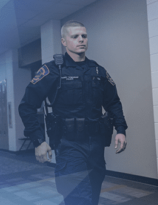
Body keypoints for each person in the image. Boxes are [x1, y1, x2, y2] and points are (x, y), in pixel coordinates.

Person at [18, 20, 128, 205]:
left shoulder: (97, 70)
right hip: (69, 145)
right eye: (75, 36)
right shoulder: (52, 70)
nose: (81, 40)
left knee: (92, 196)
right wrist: (39, 140)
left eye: (84, 36)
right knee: (79, 197)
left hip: (96, 145)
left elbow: (113, 102)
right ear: (63, 41)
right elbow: (27, 105)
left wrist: (121, 129)